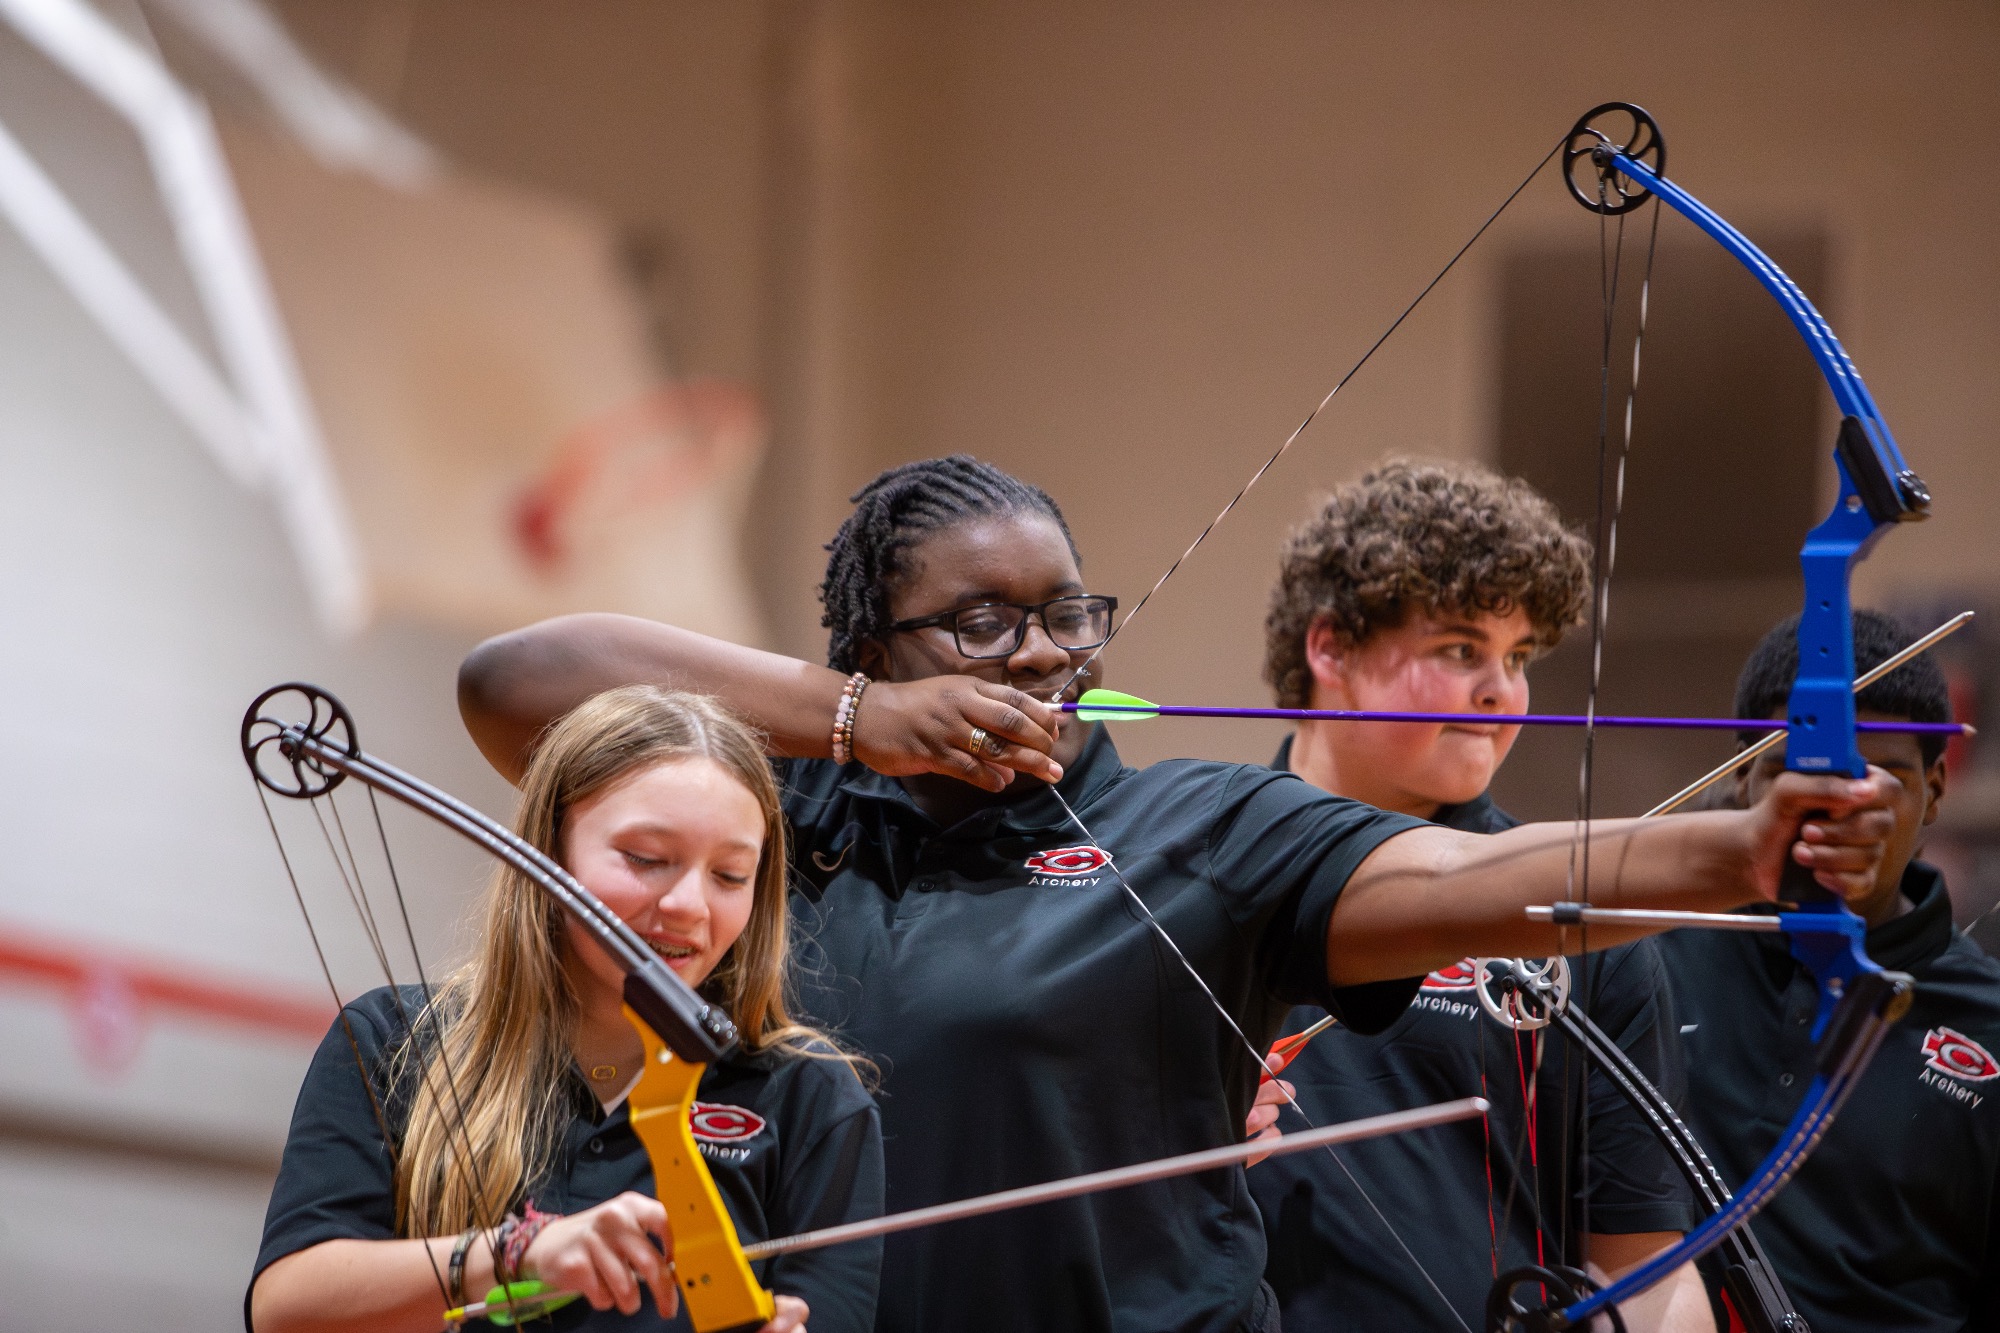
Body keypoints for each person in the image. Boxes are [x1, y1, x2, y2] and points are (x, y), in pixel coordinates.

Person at [458, 455, 1898, 1333]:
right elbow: (515, 689)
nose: (1037, 656)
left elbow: (1481, 875)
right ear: (870, 646)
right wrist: (848, 725)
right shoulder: (782, 823)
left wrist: (1740, 850)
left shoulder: (1197, 827)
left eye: (1064, 615)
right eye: (979, 622)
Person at [249, 687, 884, 1333]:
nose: (691, 903)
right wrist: (519, 1253)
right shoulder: (392, 1037)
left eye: (729, 874)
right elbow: (286, 1308)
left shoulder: (810, 1091)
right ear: (550, 853)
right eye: (646, 858)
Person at [1244, 460, 1713, 1332]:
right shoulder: (1188, 868)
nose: (1502, 690)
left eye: (1519, 656)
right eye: (1462, 648)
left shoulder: (1570, 917)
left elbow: (1650, 1276)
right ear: (1331, 647)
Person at [1656, 610, 2000, 1333]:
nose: (1834, 811)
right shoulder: (1646, 956)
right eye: (1794, 772)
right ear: (1742, 772)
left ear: (1935, 788)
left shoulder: (1988, 1024)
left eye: (1874, 779)